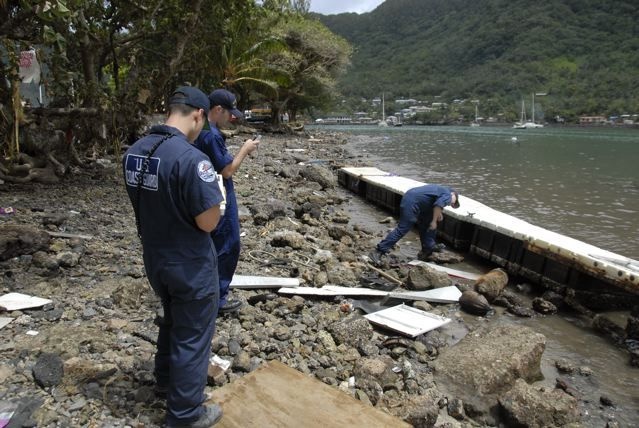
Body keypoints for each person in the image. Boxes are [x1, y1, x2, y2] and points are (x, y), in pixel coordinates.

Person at [123, 86, 224, 427]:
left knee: (170, 318)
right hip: (190, 263)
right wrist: (219, 206)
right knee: (193, 336)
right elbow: (208, 222)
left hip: (155, 257)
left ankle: (164, 379)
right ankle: (184, 415)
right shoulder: (192, 159)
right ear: (198, 114)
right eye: (203, 120)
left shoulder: (135, 151)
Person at [195, 89, 260, 313]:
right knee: (228, 244)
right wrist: (244, 150)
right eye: (228, 113)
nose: (231, 118)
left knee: (207, 245)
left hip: (203, 192)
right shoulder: (211, 134)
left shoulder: (198, 129)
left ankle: (202, 293)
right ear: (218, 109)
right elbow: (227, 170)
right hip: (219, 192)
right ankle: (218, 300)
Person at [369, 184, 460, 264]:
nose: (449, 204)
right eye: (453, 203)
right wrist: (434, 221)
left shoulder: (440, 190)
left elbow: (435, 202)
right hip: (412, 202)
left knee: (427, 222)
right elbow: (439, 205)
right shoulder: (448, 194)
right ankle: (378, 251)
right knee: (404, 228)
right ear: (453, 194)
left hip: (416, 199)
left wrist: (437, 214)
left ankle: (428, 247)